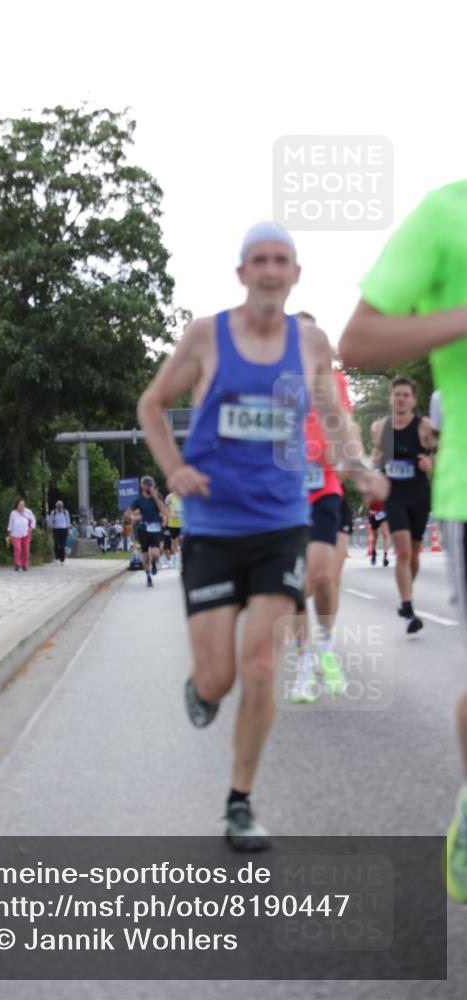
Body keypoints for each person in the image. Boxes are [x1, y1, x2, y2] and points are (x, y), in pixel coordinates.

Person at [138, 221, 386, 849]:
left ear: (295, 273)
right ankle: (202, 687)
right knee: (219, 677)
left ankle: (240, 801)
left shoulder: (310, 344)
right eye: (259, 259)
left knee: (259, 666)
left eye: (282, 259)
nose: (271, 269)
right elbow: (151, 404)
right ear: (242, 273)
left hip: (282, 524)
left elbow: (331, 418)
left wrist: (358, 468)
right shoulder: (205, 336)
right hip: (214, 527)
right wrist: (174, 469)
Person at [339, 178, 467, 903]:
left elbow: (428, 435)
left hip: (427, 480)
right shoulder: (445, 214)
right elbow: (358, 338)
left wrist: (424, 452)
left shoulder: (418, 421)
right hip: (459, 494)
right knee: (406, 551)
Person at [289, 313, 354, 704]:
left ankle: (324, 645)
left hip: (325, 488)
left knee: (325, 577)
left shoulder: (335, 383)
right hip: (285, 496)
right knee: (299, 582)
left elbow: (343, 426)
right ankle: (303, 660)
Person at [370, 376, 434, 632]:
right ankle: (407, 606)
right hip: (393, 494)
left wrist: (430, 464)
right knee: (404, 552)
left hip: (419, 493)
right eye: (397, 394)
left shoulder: (424, 425)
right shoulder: (380, 427)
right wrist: (374, 471)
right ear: (391, 398)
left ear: (413, 399)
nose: (401, 399)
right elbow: (376, 456)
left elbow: (438, 451)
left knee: (414, 555)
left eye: (406, 395)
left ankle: (406, 595)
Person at [126, 476, 168, 588]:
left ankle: (154, 563)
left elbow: (164, 511)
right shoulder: (138, 499)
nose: (150, 487)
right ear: (142, 486)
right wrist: (132, 516)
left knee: (155, 553)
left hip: (156, 528)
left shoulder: (158, 496)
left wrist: (155, 497)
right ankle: (148, 576)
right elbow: (129, 513)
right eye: (147, 485)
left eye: (151, 485)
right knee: (145, 556)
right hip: (143, 529)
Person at [8, 498, 36, 571]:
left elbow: (33, 520)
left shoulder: (28, 512)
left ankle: (25, 564)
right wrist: (10, 534)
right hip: (16, 534)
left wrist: (31, 528)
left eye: (23, 505)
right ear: (17, 506)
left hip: (26, 534)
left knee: (26, 550)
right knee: (17, 548)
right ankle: (17, 564)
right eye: (20, 505)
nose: (22, 506)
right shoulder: (13, 513)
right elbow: (10, 524)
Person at [368, 500, 390, 567]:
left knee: (386, 535)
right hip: (373, 514)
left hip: (384, 513)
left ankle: (385, 557)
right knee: (375, 536)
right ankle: (374, 553)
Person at [165, 489, 184, 568]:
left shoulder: (185, 496)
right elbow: (165, 511)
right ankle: (174, 561)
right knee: (174, 543)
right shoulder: (169, 497)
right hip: (172, 524)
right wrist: (171, 515)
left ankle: (182, 561)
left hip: (183, 523)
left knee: (182, 541)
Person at [48, 500, 71, 564]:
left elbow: (68, 521)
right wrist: (51, 531)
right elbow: (51, 522)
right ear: (56, 507)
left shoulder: (65, 512)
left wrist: (68, 530)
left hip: (64, 530)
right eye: (58, 506)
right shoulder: (54, 512)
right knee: (57, 544)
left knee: (63, 545)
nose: (60, 508)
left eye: (61, 506)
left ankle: (62, 559)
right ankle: (57, 557)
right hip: (56, 530)